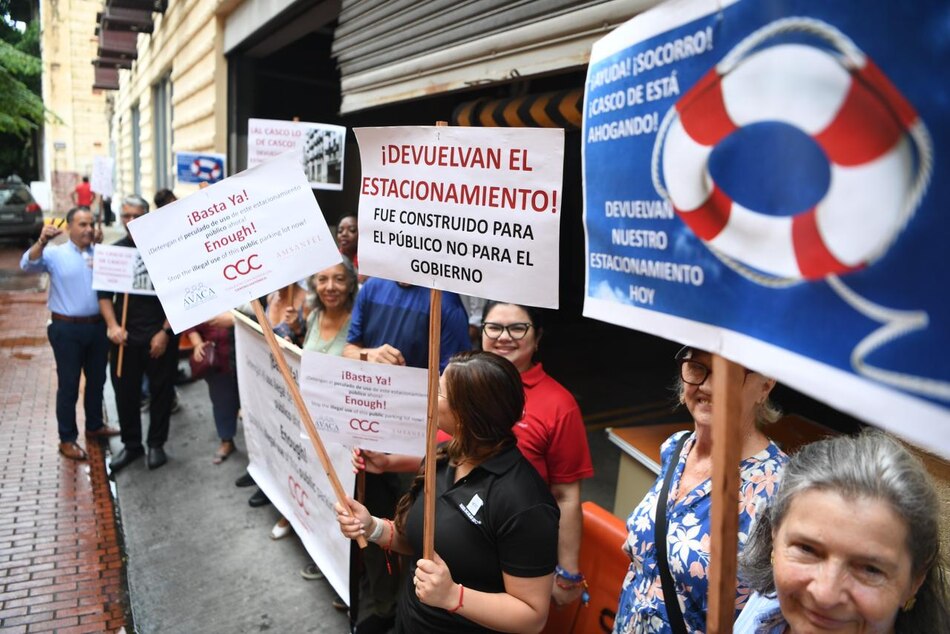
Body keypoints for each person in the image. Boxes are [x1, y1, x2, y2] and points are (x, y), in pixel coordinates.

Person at [336, 351, 560, 633]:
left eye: (439, 392)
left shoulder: (524, 502)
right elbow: (417, 543)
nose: (430, 397)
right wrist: (372, 527)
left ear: (467, 415)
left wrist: (454, 597)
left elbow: (532, 616)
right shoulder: (444, 455)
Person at [613, 347, 789, 634]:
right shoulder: (676, 447)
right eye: (697, 367)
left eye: (728, 373)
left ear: (765, 386)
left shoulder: (781, 488)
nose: (707, 385)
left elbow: (775, 607)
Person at [342, 277, 471, 632]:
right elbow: (348, 349)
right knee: (370, 520)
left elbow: (456, 382)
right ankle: (382, 605)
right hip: (368, 427)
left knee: (416, 531)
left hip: (420, 442)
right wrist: (370, 354)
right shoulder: (371, 289)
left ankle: (407, 609)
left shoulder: (445, 303)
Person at [735, 431, 950, 634]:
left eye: (870, 570)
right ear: (775, 538)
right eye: (807, 549)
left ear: (915, 582)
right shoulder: (766, 607)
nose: (825, 595)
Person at [480, 301, 594, 606]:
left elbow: (566, 495)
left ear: (538, 337)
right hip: (451, 548)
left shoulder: (559, 404)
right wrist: (389, 461)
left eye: (517, 327)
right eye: (494, 327)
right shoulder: (459, 383)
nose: (504, 336)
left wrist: (568, 572)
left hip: (517, 561)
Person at [20, 207, 118, 460]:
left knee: (97, 380)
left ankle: (95, 425)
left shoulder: (101, 254)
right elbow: (27, 265)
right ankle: (67, 438)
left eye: (90, 224)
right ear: (70, 227)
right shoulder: (54, 254)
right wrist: (42, 241)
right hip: (67, 329)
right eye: (82, 224)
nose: (87, 229)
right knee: (69, 385)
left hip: (97, 327)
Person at [273, 259, 358, 545]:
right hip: (307, 418)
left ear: (351, 285)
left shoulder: (358, 321)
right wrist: (296, 332)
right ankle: (301, 524)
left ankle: (330, 547)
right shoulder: (311, 317)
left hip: (341, 429)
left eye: (338, 279)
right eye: (322, 279)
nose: (330, 287)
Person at [98, 195, 179, 473]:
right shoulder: (114, 252)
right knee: (125, 393)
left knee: (161, 392)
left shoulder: (167, 249)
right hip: (125, 339)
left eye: (136, 216)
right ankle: (132, 445)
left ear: (148, 216)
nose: (130, 221)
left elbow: (182, 294)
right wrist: (112, 325)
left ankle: (156, 443)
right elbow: (104, 296)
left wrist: (165, 331)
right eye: (125, 216)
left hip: (160, 334)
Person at [184, 312, 239, 464]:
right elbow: (187, 318)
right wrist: (197, 344)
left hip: (244, 350)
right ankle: (226, 440)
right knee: (221, 400)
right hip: (216, 357)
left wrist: (235, 320)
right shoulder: (196, 290)